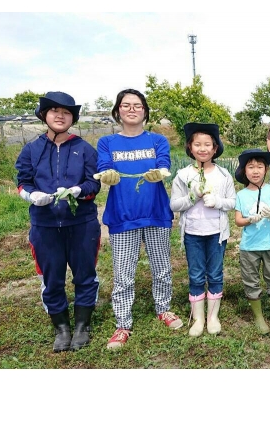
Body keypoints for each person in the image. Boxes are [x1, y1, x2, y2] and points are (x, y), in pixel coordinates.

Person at [15, 91, 101, 352]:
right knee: (51, 278)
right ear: (45, 116)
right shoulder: (32, 149)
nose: (60, 116)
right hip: (45, 225)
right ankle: (62, 327)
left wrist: (79, 191)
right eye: (54, 111)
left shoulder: (84, 149)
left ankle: (81, 326)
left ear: (72, 118)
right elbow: (22, 182)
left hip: (82, 224)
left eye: (66, 112)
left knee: (85, 275)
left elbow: (94, 182)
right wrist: (31, 195)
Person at [96, 88, 180, 350]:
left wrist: (161, 172)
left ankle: (164, 308)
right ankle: (122, 324)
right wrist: (105, 174)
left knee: (162, 267)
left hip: (155, 213)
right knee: (123, 273)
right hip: (123, 216)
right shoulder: (107, 143)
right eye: (126, 105)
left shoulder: (157, 140)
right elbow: (103, 166)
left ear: (145, 111)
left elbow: (165, 162)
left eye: (137, 105)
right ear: (117, 111)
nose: (132, 109)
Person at [170, 123, 236, 337]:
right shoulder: (182, 175)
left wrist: (217, 201)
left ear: (215, 148)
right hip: (193, 233)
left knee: (215, 274)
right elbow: (174, 205)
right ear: (190, 147)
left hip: (216, 233)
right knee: (196, 275)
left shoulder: (224, 175)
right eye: (197, 144)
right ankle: (198, 318)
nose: (203, 148)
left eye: (208, 144)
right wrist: (192, 196)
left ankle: (213, 317)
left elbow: (232, 202)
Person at [234, 149, 270, 334]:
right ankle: (258, 316)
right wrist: (250, 219)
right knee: (251, 280)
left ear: (266, 170)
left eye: (259, 166)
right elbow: (238, 220)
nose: (255, 171)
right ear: (244, 171)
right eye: (251, 167)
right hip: (249, 247)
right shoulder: (241, 195)